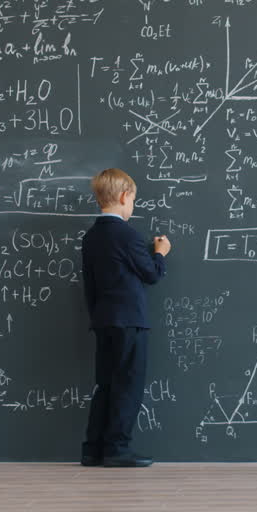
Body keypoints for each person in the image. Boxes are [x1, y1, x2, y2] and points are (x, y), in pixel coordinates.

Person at [80, 168, 171, 468]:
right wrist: (160, 252)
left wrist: (97, 317)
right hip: (129, 320)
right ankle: (117, 449)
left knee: (105, 384)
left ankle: (93, 449)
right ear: (123, 197)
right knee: (128, 384)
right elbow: (151, 274)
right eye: (133, 200)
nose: (132, 206)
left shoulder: (92, 237)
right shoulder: (128, 235)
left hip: (104, 320)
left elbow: (89, 286)